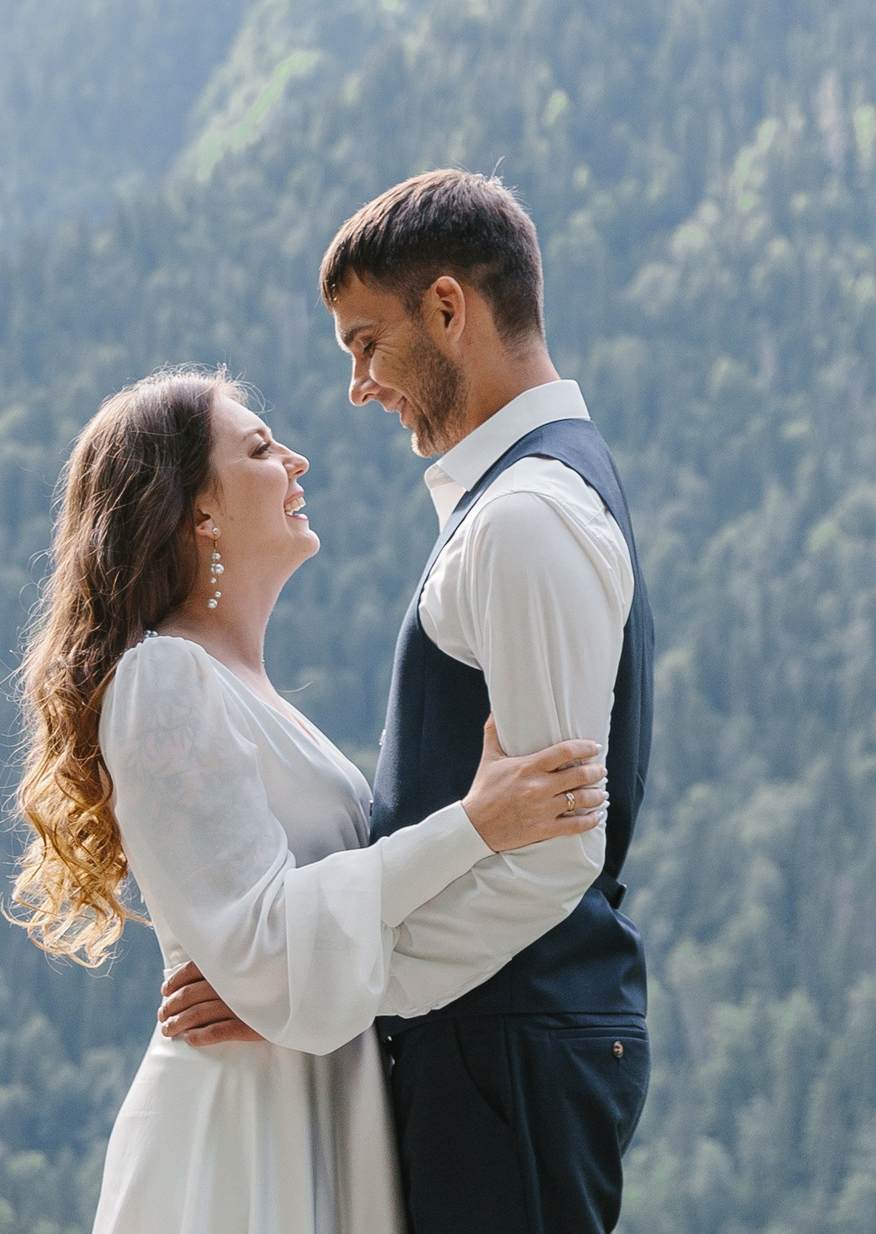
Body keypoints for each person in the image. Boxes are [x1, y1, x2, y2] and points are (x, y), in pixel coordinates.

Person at [159, 168, 655, 1232]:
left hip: (505, 1060)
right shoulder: (519, 500)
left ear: (447, 309)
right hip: (497, 1052)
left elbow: (554, 852)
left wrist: (319, 999)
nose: (357, 386)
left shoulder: (523, 517)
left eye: (363, 343)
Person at [9, 366, 612, 1234]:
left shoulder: (243, 689)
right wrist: (476, 824)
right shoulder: (163, 679)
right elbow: (266, 943)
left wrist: (307, 986)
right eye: (258, 449)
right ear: (199, 512)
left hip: (310, 1094)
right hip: (242, 1128)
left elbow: (287, 955)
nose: (296, 460)